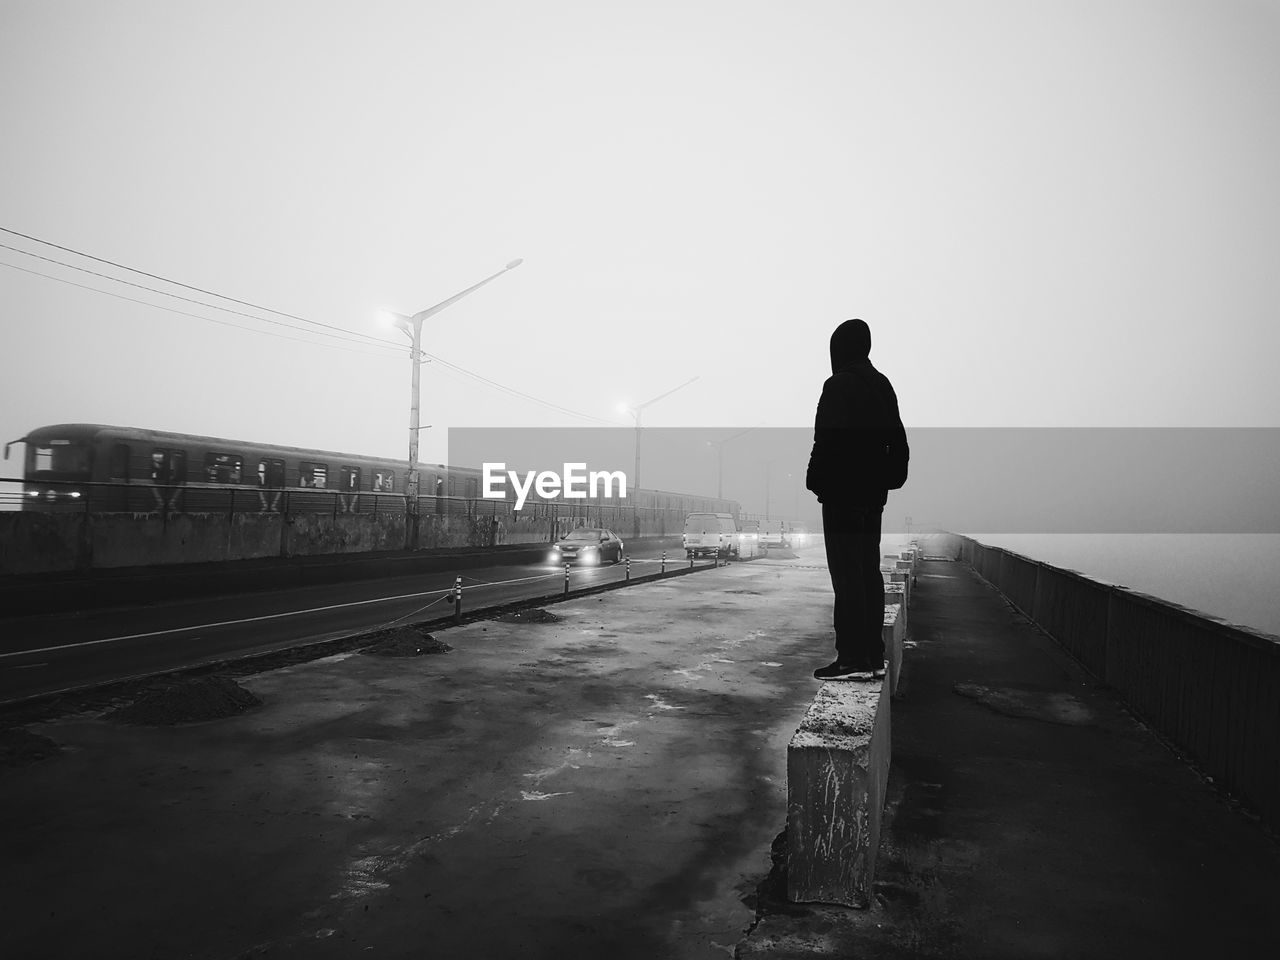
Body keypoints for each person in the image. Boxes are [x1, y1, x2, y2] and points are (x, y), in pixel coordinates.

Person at [805, 318, 909, 680]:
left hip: (841, 494)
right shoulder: (882, 386)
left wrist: (815, 481)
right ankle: (872, 653)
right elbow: (898, 442)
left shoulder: (839, 385)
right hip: (871, 497)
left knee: (846, 575)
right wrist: (887, 479)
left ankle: (850, 656)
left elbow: (826, 440)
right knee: (867, 571)